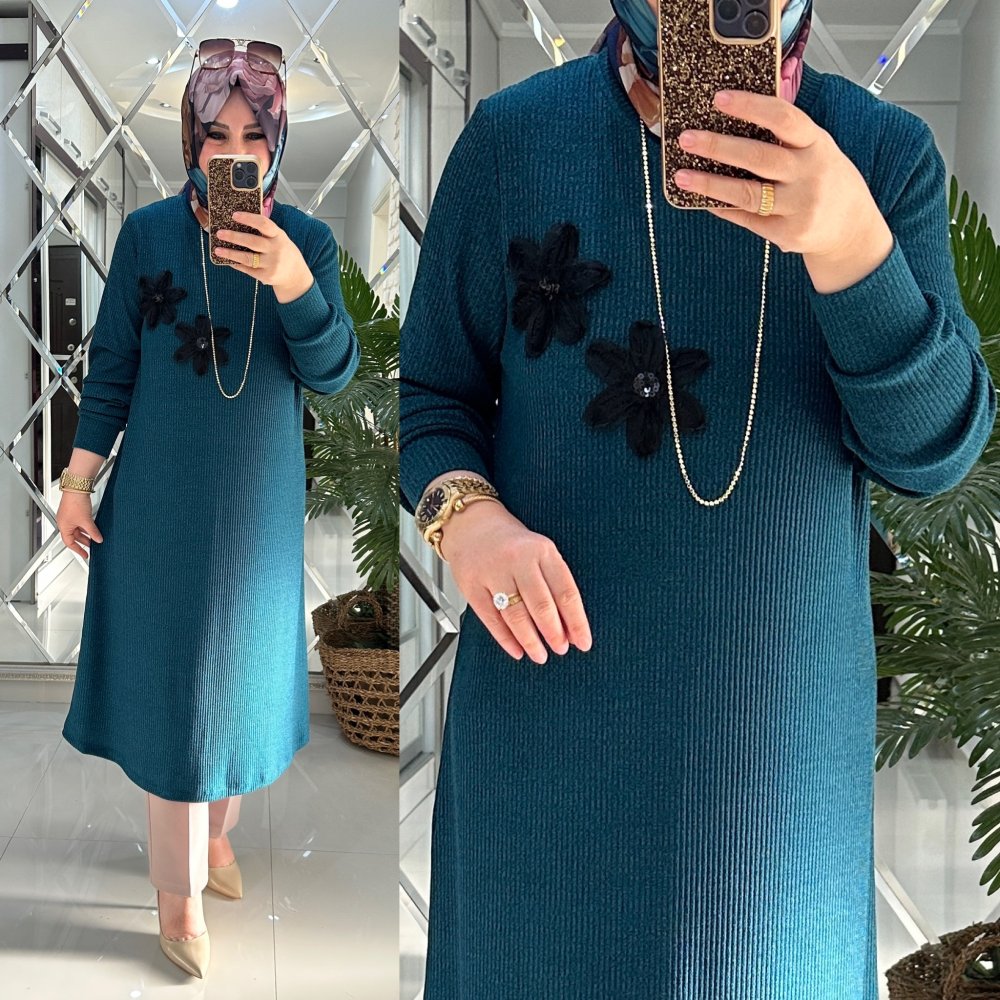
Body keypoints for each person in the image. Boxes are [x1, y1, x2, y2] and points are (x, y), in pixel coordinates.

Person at [398, 1, 997, 997]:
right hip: (548, 727)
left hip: (774, 759)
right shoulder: (510, 144)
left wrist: (852, 248)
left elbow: (935, 451)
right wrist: (467, 519)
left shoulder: (883, 156)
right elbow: (431, 396)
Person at [55, 38, 360, 978]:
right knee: (179, 696)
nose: (235, 153)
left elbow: (335, 375)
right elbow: (114, 367)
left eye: (253, 136)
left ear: (276, 142)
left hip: (255, 517)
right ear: (190, 139)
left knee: (237, 691)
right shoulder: (148, 235)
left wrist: (293, 284)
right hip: (160, 506)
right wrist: (76, 483)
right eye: (215, 134)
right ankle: (176, 892)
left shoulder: (305, 243)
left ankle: (217, 833)